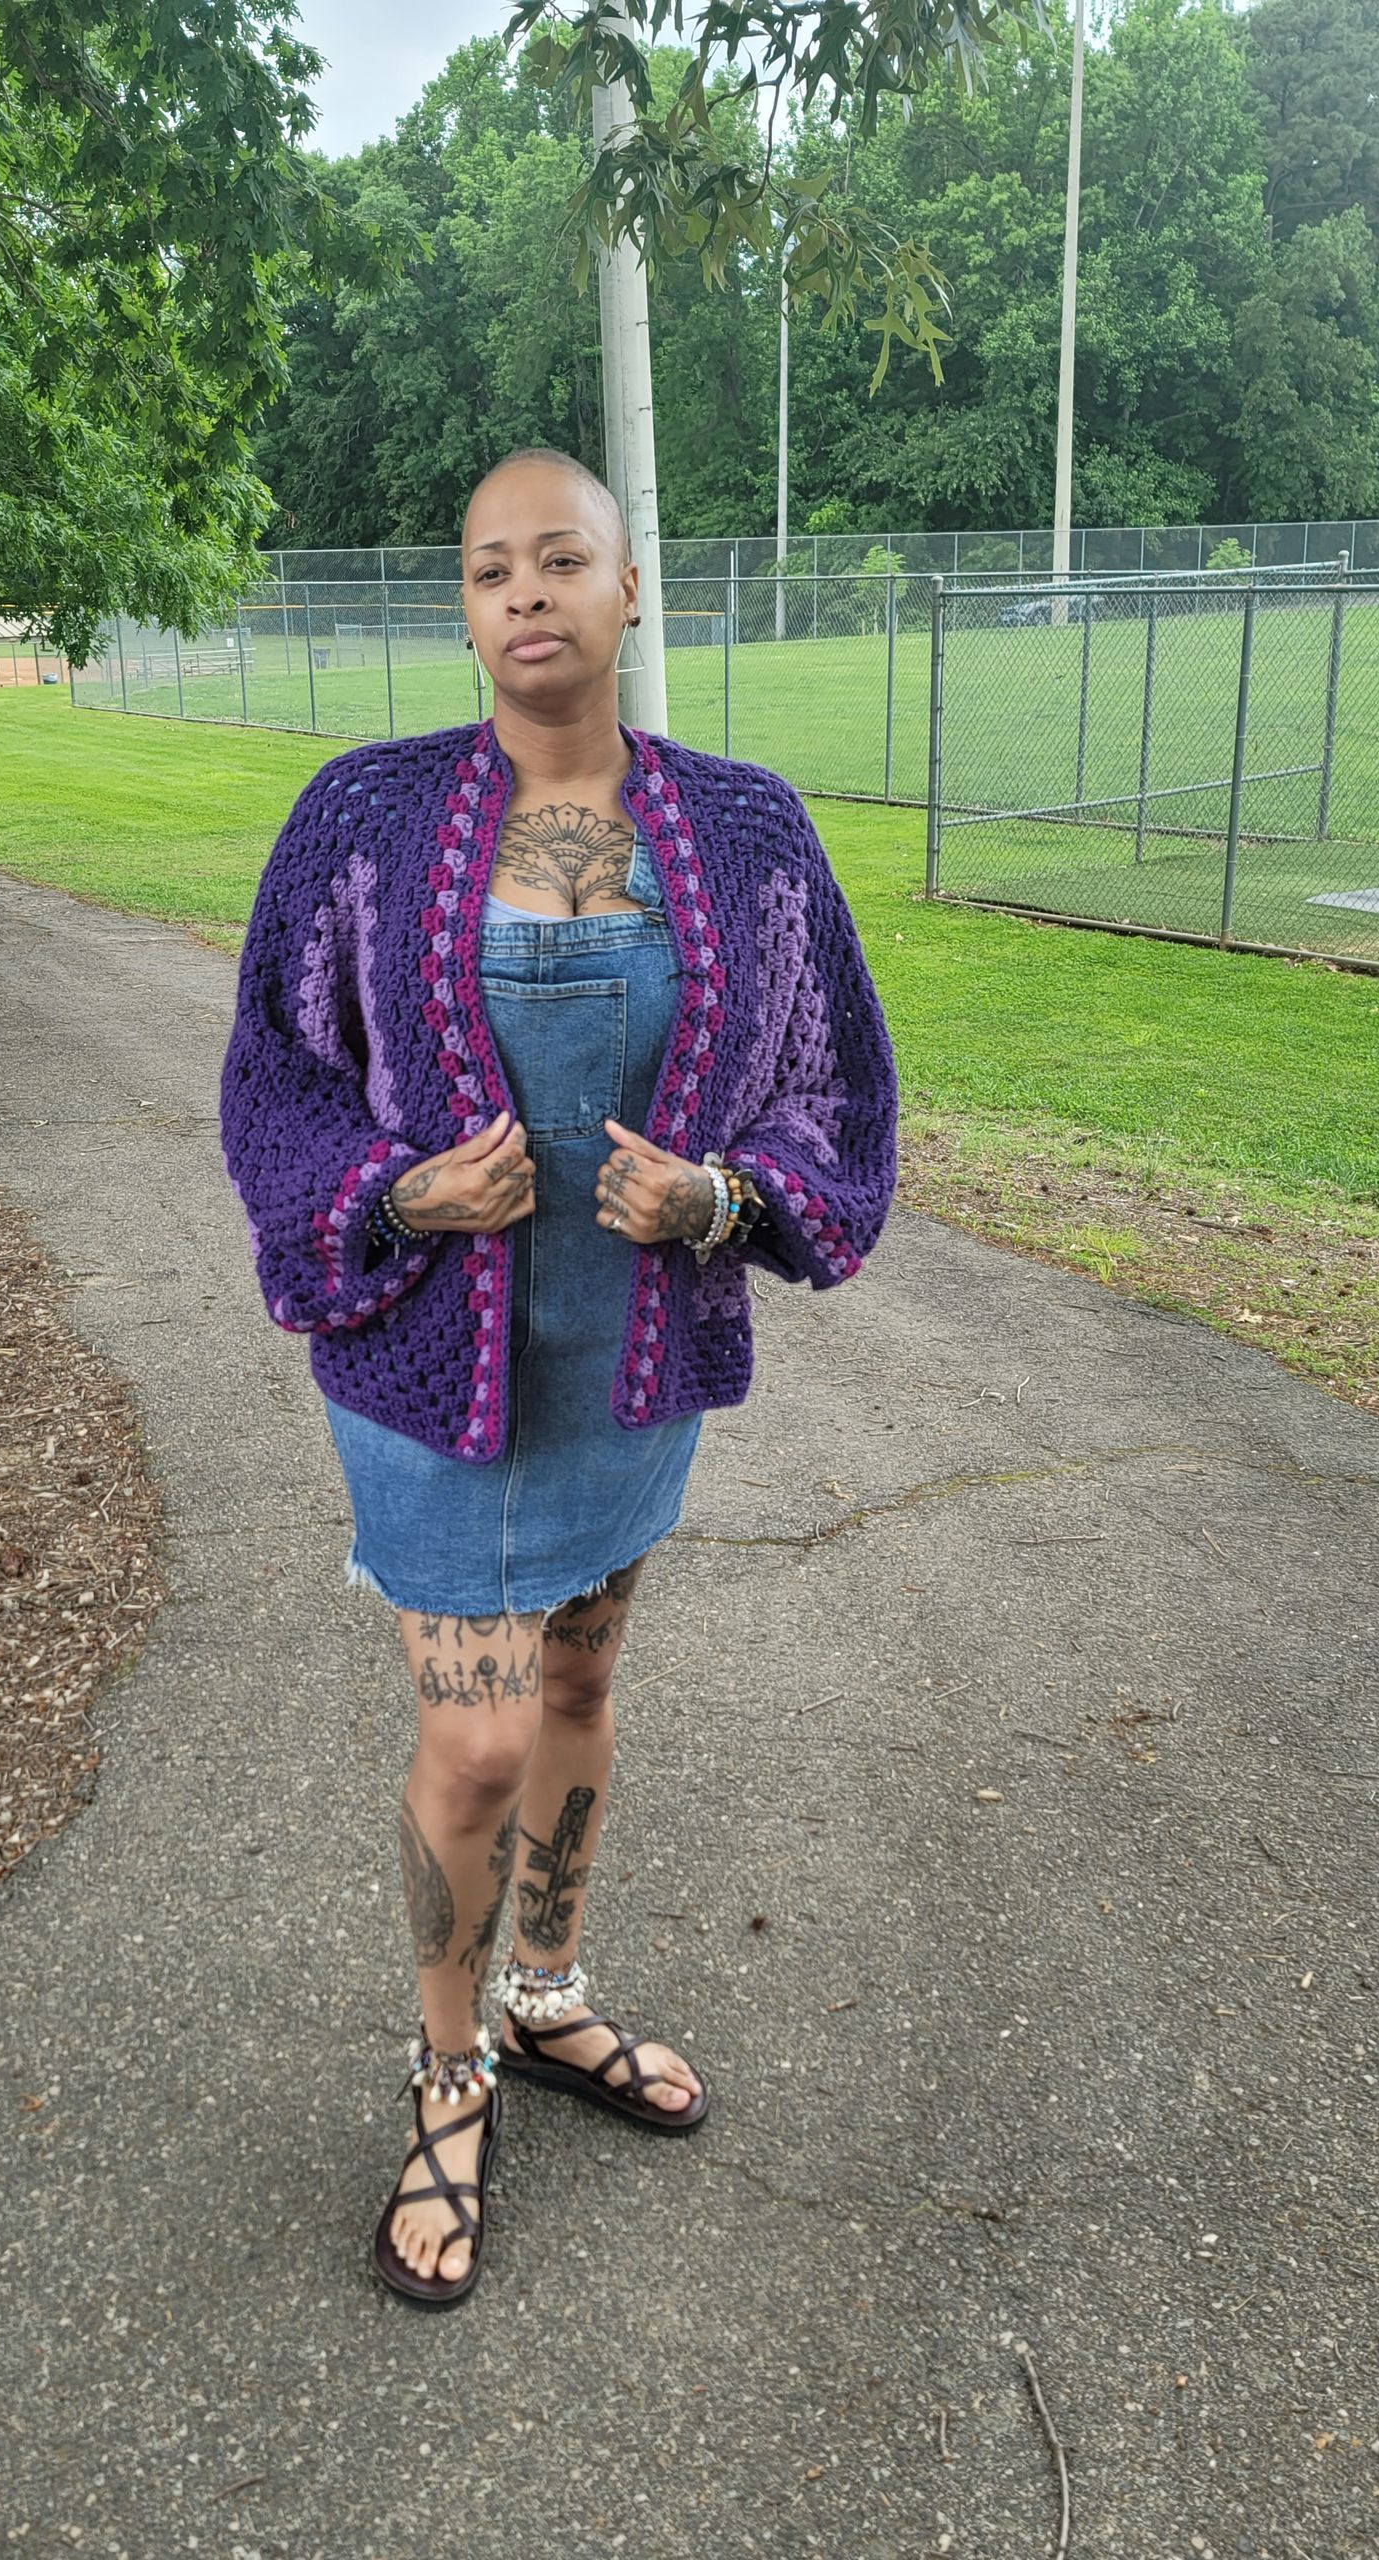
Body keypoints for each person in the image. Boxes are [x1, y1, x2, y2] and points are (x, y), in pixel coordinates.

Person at [218, 446, 898, 2307]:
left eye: (560, 558)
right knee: (478, 1737)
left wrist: (724, 1201)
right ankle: (449, 2070)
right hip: (427, 1371)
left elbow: (837, 1084)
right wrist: (396, 1192)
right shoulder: (364, 818)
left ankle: (545, 1991)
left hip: (630, 1366)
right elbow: (274, 1082)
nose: (524, 591)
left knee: (583, 1682)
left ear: (627, 587)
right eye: (488, 569)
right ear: (466, 607)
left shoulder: (747, 833)